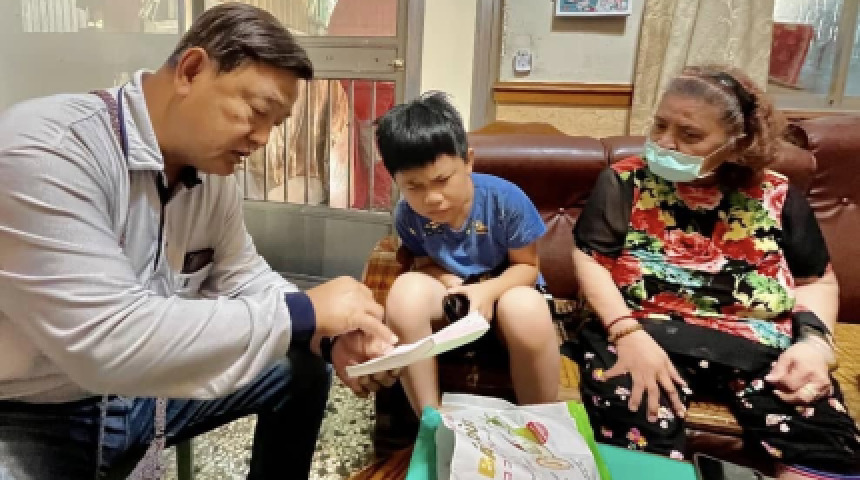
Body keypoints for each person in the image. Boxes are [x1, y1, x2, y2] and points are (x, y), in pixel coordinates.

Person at [0, 3, 400, 479]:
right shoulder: (47, 150)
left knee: (300, 368)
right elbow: (106, 341)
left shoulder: (210, 173)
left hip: (143, 394)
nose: (263, 139)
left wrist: (327, 336)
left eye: (276, 124)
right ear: (191, 71)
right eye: (257, 113)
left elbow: (242, 275)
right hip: (30, 413)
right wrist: (306, 311)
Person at [571, 65, 860, 478]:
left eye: (689, 135)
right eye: (660, 125)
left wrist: (814, 345)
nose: (664, 142)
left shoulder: (777, 195)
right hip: (645, 331)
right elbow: (591, 259)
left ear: (738, 144)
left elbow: (815, 280)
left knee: (822, 439)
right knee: (632, 408)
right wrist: (626, 332)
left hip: (759, 344)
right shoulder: (625, 181)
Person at [375, 92, 560, 415]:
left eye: (442, 180)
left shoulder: (505, 200)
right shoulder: (408, 215)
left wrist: (486, 291)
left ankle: (539, 421)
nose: (432, 198)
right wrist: (451, 283)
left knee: (524, 308)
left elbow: (527, 267)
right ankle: (430, 419)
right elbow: (425, 264)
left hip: (507, 293)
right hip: (454, 300)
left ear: (468, 161)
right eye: (414, 187)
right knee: (405, 293)